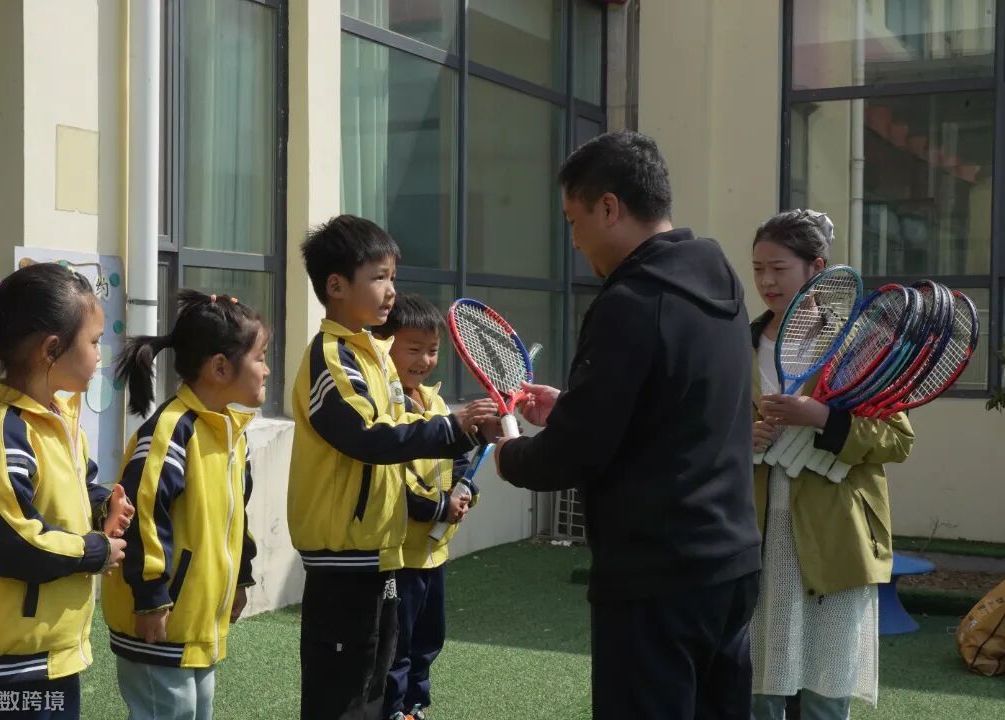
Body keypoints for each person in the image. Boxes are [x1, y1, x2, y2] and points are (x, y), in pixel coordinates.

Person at [492, 130, 762, 719]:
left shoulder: (630, 302)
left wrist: (510, 453)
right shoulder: (721, 283)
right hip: (732, 563)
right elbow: (675, 406)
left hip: (657, 575)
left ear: (609, 207)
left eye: (574, 220)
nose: (574, 240)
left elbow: (576, 453)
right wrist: (572, 406)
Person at [288, 215, 495, 720]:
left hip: (381, 557)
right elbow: (368, 436)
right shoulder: (332, 357)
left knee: (376, 682)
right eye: (379, 277)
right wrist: (453, 427)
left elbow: (407, 426)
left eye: (393, 277)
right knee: (341, 695)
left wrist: (466, 430)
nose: (390, 291)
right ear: (336, 286)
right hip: (342, 561)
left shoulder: (375, 354)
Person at [0, 261, 131, 719]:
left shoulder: (58, 420)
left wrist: (104, 505)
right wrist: (93, 551)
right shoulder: (3, 432)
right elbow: (11, 540)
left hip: (49, 653)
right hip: (11, 666)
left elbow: (76, 487)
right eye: (94, 342)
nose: (100, 355)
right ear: (52, 349)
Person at [749, 210, 914, 719]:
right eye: (757, 269)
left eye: (778, 268)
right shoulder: (739, 342)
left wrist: (822, 417)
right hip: (752, 534)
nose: (766, 281)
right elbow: (700, 428)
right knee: (755, 686)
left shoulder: (859, 345)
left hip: (835, 537)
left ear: (817, 268)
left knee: (824, 691)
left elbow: (896, 439)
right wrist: (740, 439)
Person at [103, 290, 269, 720]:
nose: (267, 369)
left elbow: (235, 515)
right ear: (220, 367)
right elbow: (141, 514)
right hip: (159, 621)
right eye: (260, 358)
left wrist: (240, 578)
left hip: (195, 625)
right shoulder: (173, 430)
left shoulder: (230, 432)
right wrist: (151, 598)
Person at [372, 294, 476, 720]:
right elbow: (394, 482)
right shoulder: (386, 405)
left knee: (429, 640)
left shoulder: (436, 403)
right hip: (399, 555)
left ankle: (415, 706)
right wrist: (438, 508)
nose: (425, 360)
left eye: (432, 350)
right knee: (396, 643)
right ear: (385, 346)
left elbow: (458, 460)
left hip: (435, 554)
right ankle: (393, 710)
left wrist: (465, 491)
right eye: (413, 349)